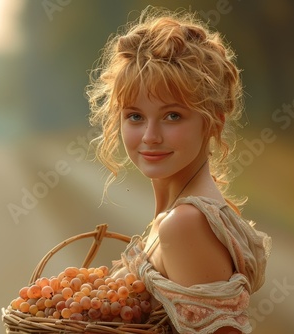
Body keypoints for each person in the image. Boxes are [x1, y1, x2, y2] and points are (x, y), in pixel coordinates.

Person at [86, 6, 272, 334]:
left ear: (213, 121)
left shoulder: (185, 224)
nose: (150, 136)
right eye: (135, 116)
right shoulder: (177, 216)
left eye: (173, 115)